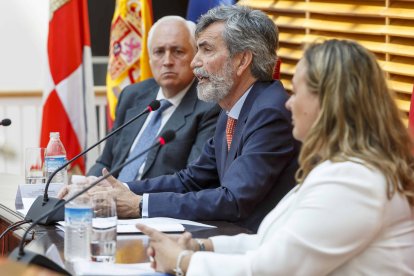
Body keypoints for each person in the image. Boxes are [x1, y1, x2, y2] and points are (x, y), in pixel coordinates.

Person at [137, 39, 414, 275]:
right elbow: (271, 244)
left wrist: (182, 261)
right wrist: (201, 246)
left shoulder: (355, 180)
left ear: (327, 103)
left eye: (297, 91)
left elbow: (271, 269)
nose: (289, 102)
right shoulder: (343, 169)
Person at [99, 5, 299, 231]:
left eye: (206, 50)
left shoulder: (269, 113)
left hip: (256, 247)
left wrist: (140, 205)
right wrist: (123, 189)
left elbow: (233, 200)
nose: (195, 62)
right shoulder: (233, 108)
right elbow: (191, 180)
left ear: (242, 60)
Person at [87, 16, 220, 180]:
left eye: (178, 51)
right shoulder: (132, 95)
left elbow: (193, 179)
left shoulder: (210, 105)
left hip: (150, 202)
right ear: (149, 59)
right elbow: (105, 163)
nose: (167, 61)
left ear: (195, 57)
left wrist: (125, 193)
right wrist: (84, 187)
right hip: (108, 200)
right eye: (159, 52)